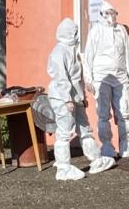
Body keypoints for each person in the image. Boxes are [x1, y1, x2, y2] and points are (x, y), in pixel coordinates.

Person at [47, 18, 114, 180]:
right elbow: (61, 78)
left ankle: (96, 159)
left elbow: (77, 78)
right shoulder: (59, 52)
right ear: (68, 33)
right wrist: (66, 99)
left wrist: (81, 97)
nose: (77, 35)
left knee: (84, 128)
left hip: (74, 98)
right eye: (75, 32)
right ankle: (63, 167)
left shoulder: (71, 50)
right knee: (64, 132)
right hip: (62, 98)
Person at [83, 1, 129, 158]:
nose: (112, 16)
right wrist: (89, 78)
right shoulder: (95, 31)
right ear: (102, 14)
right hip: (102, 77)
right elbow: (88, 56)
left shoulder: (121, 30)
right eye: (108, 13)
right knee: (103, 113)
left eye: (114, 13)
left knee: (125, 112)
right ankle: (107, 145)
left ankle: (126, 144)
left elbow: (128, 54)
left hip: (121, 77)